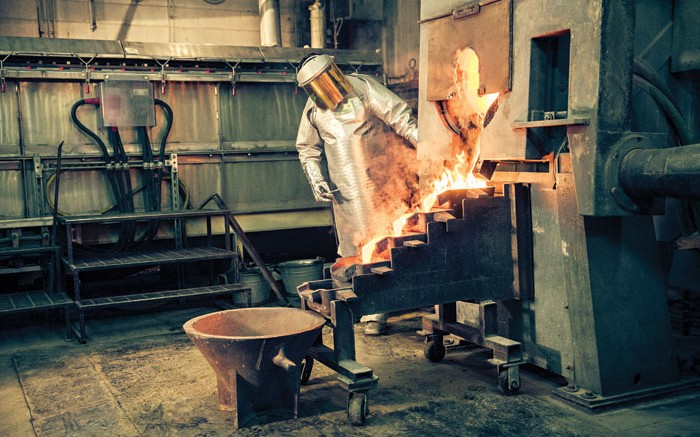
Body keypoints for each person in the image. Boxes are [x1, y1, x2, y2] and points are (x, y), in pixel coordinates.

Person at [295, 54, 418, 336]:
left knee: (380, 248)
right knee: (350, 251)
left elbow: (401, 119)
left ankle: (377, 312)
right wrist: (317, 179)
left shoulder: (362, 88)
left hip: (379, 186)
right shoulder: (314, 107)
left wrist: (429, 147)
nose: (322, 91)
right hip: (343, 193)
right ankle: (350, 306)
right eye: (314, 87)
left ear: (333, 72)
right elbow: (307, 148)